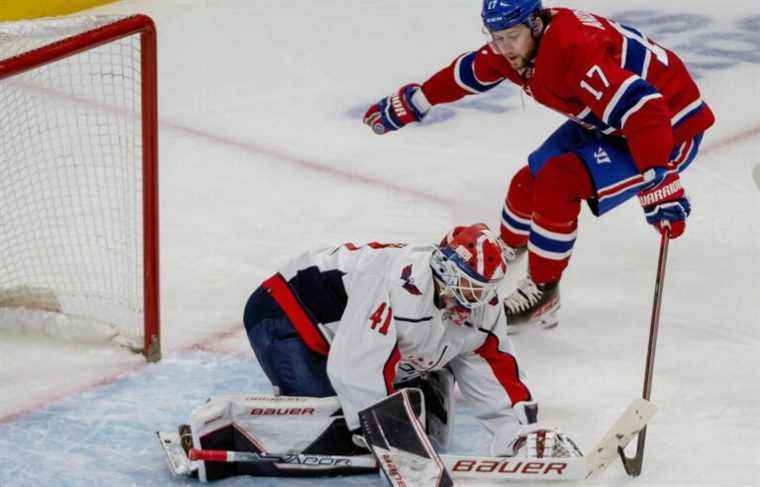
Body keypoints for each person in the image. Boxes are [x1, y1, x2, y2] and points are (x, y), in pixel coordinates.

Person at [363, 0, 715, 332]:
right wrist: (417, 100)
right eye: (495, 38)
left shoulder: (576, 51)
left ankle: (544, 294)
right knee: (526, 184)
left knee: (558, 182)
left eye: (511, 37)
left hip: (665, 132)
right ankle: (510, 247)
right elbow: (470, 72)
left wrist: (658, 181)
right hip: (609, 119)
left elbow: (645, 108)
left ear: (536, 22)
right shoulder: (519, 43)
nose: (504, 48)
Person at [175, 224, 578, 482]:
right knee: (343, 431)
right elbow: (354, 368)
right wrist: (394, 442)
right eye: (469, 288)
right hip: (285, 316)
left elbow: (491, 368)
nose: (476, 301)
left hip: (351, 336)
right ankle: (219, 436)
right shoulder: (395, 284)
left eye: (483, 290)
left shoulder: (479, 305)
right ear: (446, 272)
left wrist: (520, 432)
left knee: (425, 418)